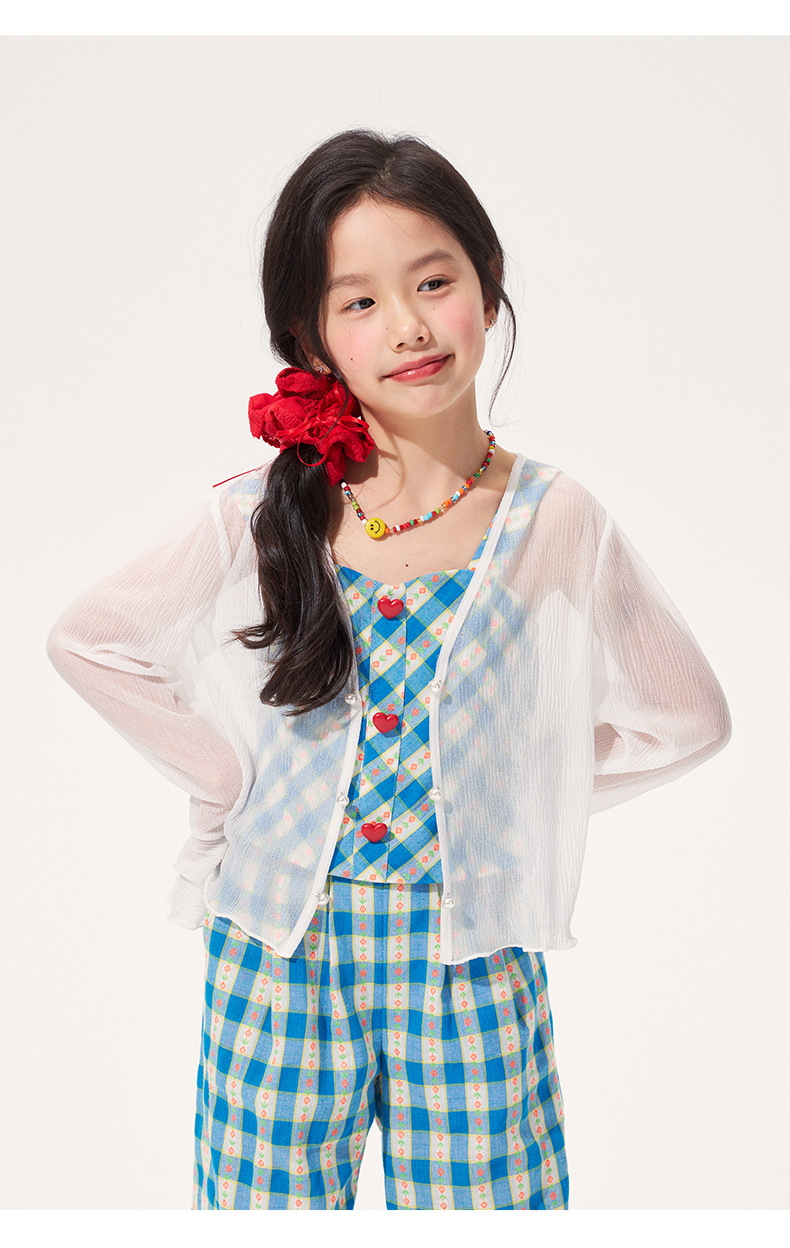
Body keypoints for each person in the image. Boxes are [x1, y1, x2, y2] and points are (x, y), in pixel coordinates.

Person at [46, 129, 732, 1212]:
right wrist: (224, 782)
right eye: (358, 301)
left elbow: (687, 717)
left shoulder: (553, 517)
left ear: (488, 288)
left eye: (433, 281)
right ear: (311, 338)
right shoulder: (262, 512)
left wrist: (520, 792)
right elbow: (89, 641)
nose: (407, 324)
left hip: (467, 959)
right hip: (280, 953)